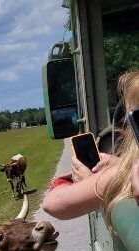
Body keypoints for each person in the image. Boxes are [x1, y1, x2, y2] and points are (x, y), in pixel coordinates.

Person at [43, 71, 139, 225]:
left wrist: (91, 181)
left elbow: (53, 204)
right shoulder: (123, 168)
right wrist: (118, 161)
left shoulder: (128, 173)